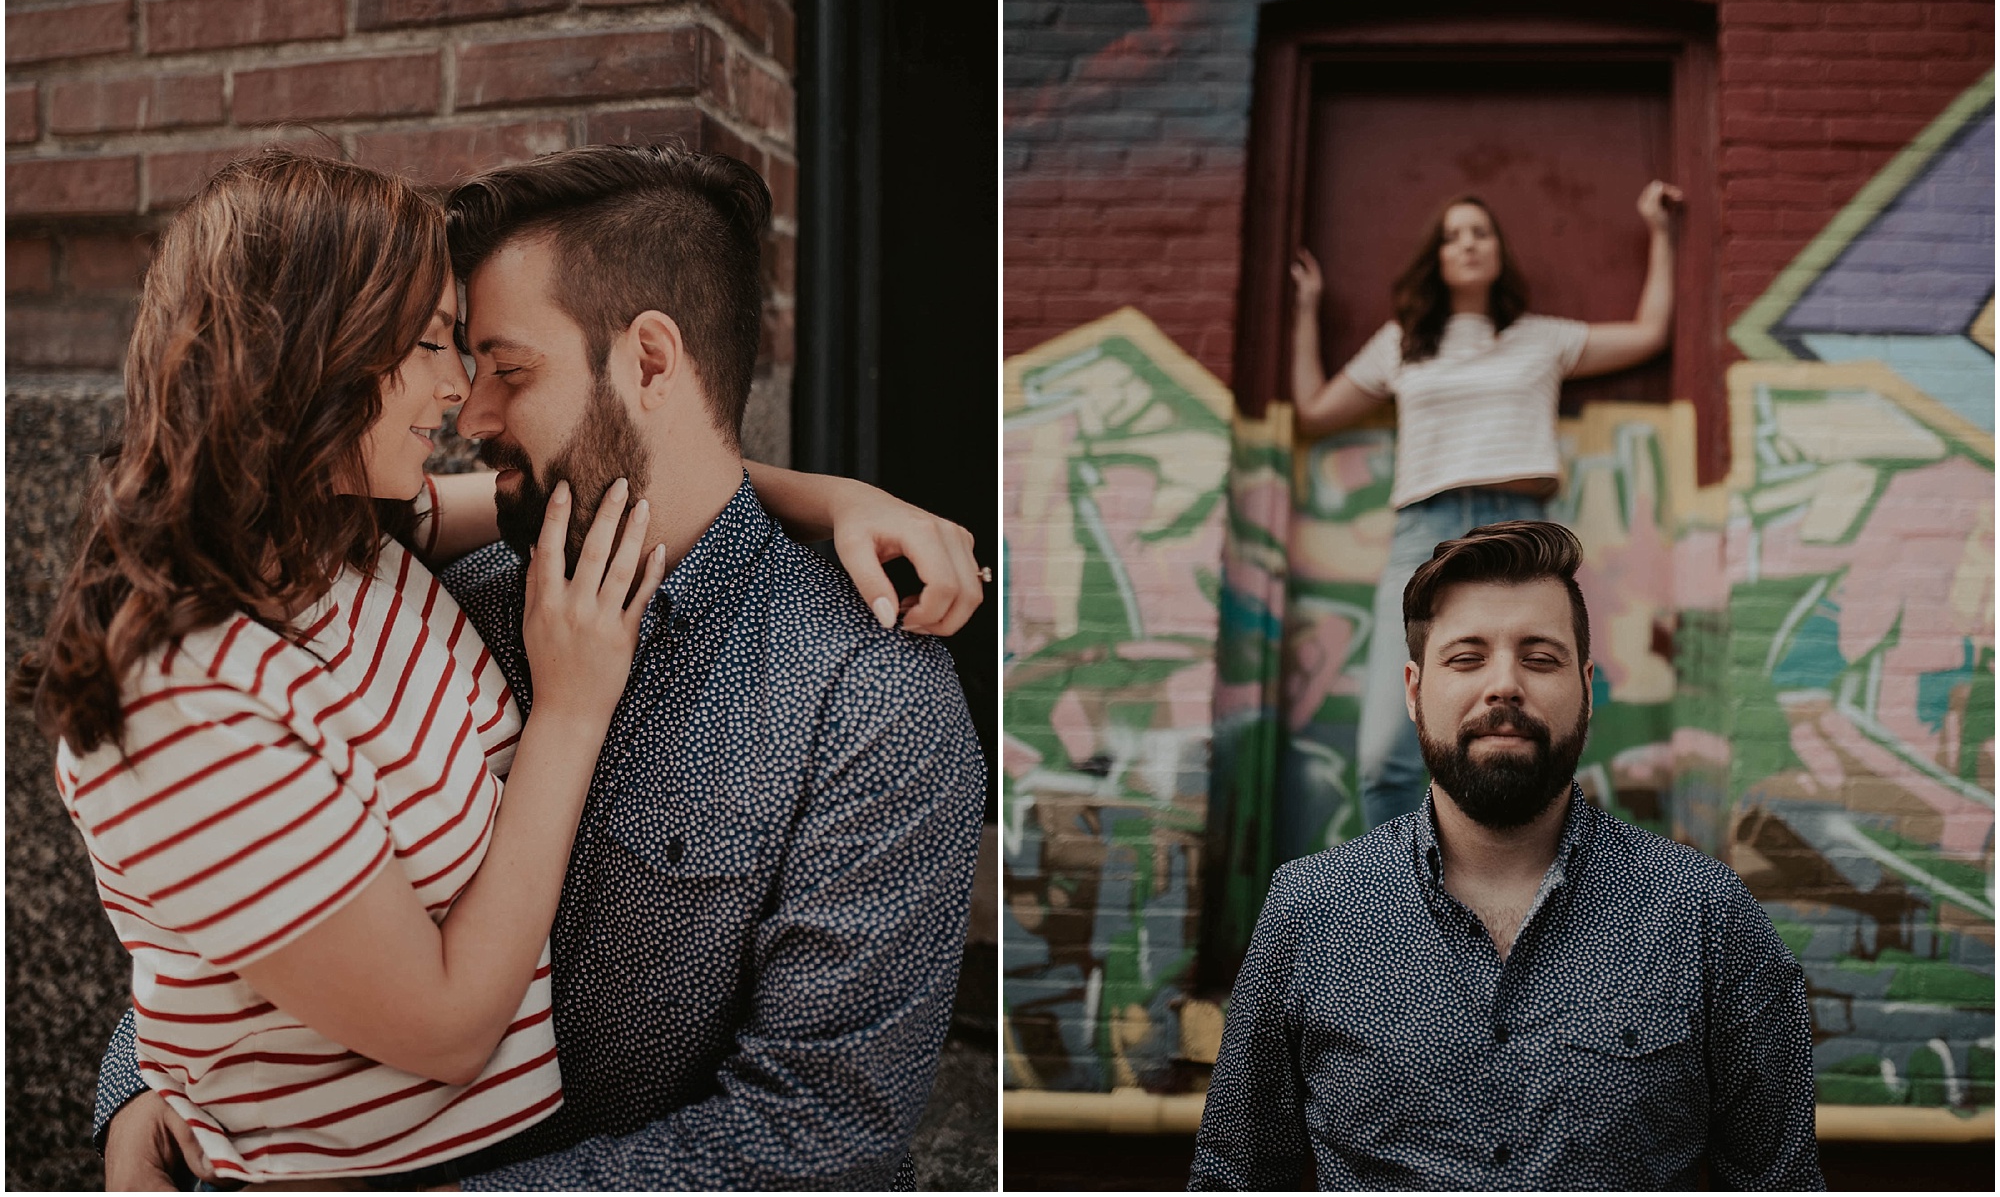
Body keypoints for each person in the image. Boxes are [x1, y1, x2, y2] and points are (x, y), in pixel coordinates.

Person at [100, 145, 988, 1190]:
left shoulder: (869, 704)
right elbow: (266, 876)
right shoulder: (446, 592)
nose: (466, 417)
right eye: (455, 364)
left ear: (650, 363)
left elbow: (811, 1139)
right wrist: (142, 1088)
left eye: (506, 370)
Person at [1188, 521, 1823, 1191]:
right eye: (1466, 657)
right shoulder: (1311, 911)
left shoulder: (1706, 917)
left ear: (1585, 687)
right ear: (1412, 689)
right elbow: (1236, 1179)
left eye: (1539, 657)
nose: (1504, 685)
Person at [1289, 180, 1682, 830]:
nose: (1468, 243)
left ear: (1498, 252)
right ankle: (1407, 913)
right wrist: (1308, 309)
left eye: (1481, 232)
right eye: (1453, 235)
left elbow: (1650, 333)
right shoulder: (1402, 343)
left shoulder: (1540, 339)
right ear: (1437, 258)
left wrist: (1660, 233)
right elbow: (1313, 412)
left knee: (1530, 741)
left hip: (1517, 536)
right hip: (1423, 533)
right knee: (1385, 754)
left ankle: (1523, 903)